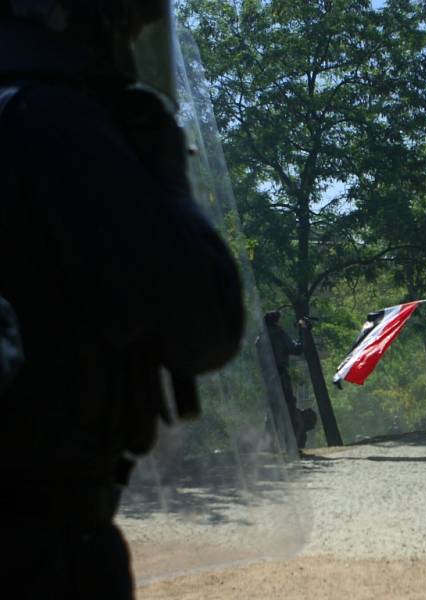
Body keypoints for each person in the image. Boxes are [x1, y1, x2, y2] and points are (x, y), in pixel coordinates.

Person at [0, 3, 244, 598]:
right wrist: (166, 183)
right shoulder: (49, 120)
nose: (136, 36)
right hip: (42, 550)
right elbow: (202, 328)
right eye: (129, 19)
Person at [257, 311, 309, 448]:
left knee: (273, 412)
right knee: (289, 410)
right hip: (281, 377)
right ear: (275, 321)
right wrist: (303, 330)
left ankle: (268, 445)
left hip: (268, 379)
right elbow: (297, 349)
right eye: (280, 320)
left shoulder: (260, 338)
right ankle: (291, 444)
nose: (282, 322)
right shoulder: (279, 334)